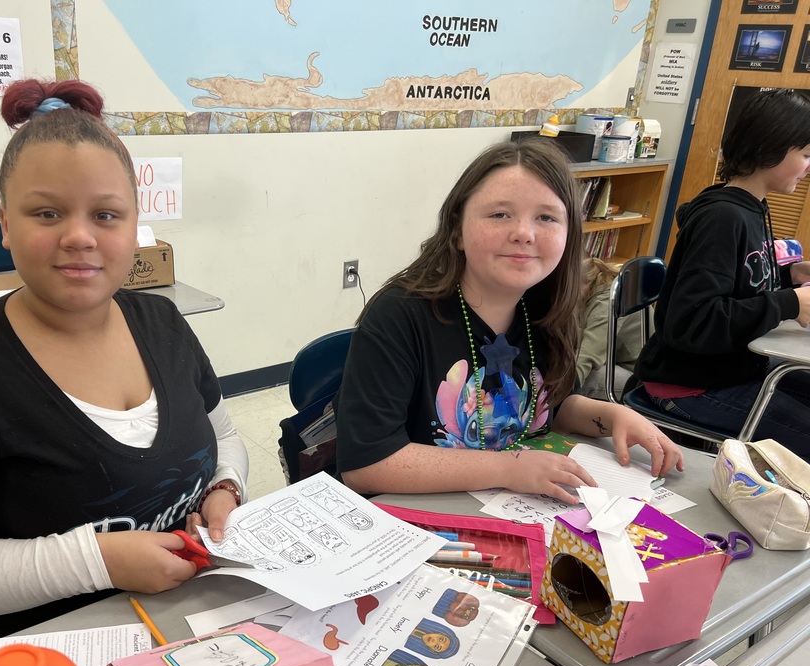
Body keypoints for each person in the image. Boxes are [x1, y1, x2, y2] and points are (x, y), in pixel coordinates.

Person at [0, 78, 248, 641]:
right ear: (5, 225)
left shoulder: (164, 324)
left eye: (106, 215)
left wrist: (226, 488)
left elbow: (225, 438)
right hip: (49, 661)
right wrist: (98, 560)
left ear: (134, 226)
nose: (79, 237)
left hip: (189, 627)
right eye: (47, 214)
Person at [335, 139, 683, 505]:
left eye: (546, 217)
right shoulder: (400, 315)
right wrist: (509, 468)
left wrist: (610, 416)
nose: (524, 233)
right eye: (500, 214)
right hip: (411, 521)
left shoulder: (548, 311)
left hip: (508, 510)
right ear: (457, 231)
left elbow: (546, 407)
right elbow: (367, 465)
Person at [632, 88, 810, 459]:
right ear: (770, 148)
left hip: (729, 370)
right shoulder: (724, 218)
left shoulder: (752, 207)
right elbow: (693, 321)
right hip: (688, 388)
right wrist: (788, 302)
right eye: (805, 155)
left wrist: (789, 275)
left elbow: (741, 280)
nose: (809, 165)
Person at [575, 257, 644, 400]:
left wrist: (550, 395)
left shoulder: (610, 301)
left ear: (586, 283)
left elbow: (588, 355)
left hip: (636, 377)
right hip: (614, 360)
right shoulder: (597, 289)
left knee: (584, 380)